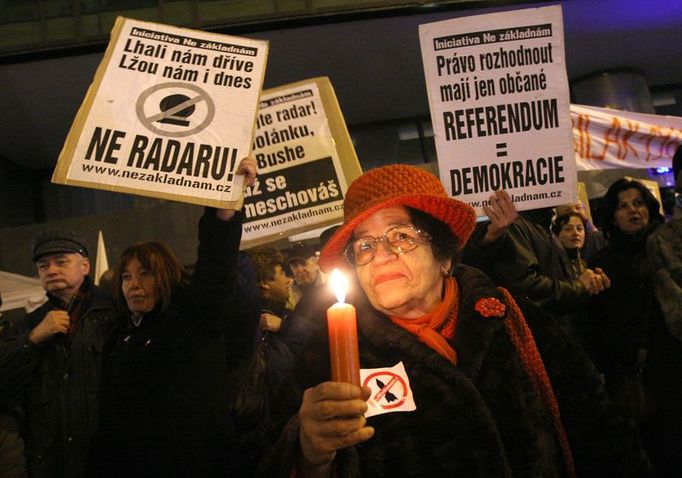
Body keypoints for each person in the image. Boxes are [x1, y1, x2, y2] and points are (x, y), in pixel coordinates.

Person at [259, 165, 652, 478]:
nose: (380, 255)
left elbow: (603, 437)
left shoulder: (517, 323)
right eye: (364, 245)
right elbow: (274, 456)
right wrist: (310, 456)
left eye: (400, 236)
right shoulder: (325, 358)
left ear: (444, 255)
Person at [90, 157, 257, 478]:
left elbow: (216, 263)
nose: (133, 284)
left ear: (165, 275)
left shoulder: (195, 320)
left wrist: (224, 207)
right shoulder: (119, 339)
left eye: (145, 273)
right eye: (125, 277)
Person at [0, 229, 118, 478]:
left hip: (106, 456)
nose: (51, 270)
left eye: (61, 262)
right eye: (43, 266)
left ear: (85, 265)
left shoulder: (115, 313)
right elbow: (6, 389)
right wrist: (31, 341)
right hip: (50, 463)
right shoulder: (28, 326)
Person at [590, 177, 682, 475]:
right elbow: (599, 325)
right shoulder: (601, 263)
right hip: (636, 378)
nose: (633, 211)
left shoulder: (672, 249)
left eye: (639, 203)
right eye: (622, 206)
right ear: (612, 218)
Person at [462, 190, 610, 352]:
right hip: (540, 347)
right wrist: (580, 287)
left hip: (557, 344)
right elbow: (527, 289)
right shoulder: (517, 225)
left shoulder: (543, 226)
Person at [287, 242, 326, 309]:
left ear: (316, 262)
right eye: (295, 266)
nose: (300, 270)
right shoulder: (291, 288)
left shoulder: (331, 282)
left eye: (303, 263)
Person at [552, 212, 588, 283]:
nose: (576, 233)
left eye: (579, 229)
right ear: (556, 235)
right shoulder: (553, 265)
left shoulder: (584, 264)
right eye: (568, 229)